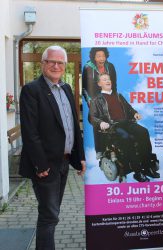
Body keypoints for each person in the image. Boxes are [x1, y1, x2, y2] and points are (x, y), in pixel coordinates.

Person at [19, 45, 86, 250]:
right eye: (52, 62)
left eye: (60, 63)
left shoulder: (66, 88)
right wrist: (41, 166)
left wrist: (80, 156)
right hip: (45, 167)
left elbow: (74, 125)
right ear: (43, 65)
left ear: (65, 66)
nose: (56, 66)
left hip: (64, 163)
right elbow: (30, 133)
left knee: (53, 214)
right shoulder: (32, 90)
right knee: (49, 216)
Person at [89, 73, 160, 183]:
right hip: (113, 126)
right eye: (104, 79)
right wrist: (101, 122)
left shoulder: (118, 95)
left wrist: (135, 113)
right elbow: (92, 117)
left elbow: (129, 108)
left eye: (109, 79)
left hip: (127, 123)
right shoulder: (96, 100)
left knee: (143, 132)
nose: (108, 81)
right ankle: (137, 172)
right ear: (99, 84)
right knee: (127, 138)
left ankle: (146, 168)